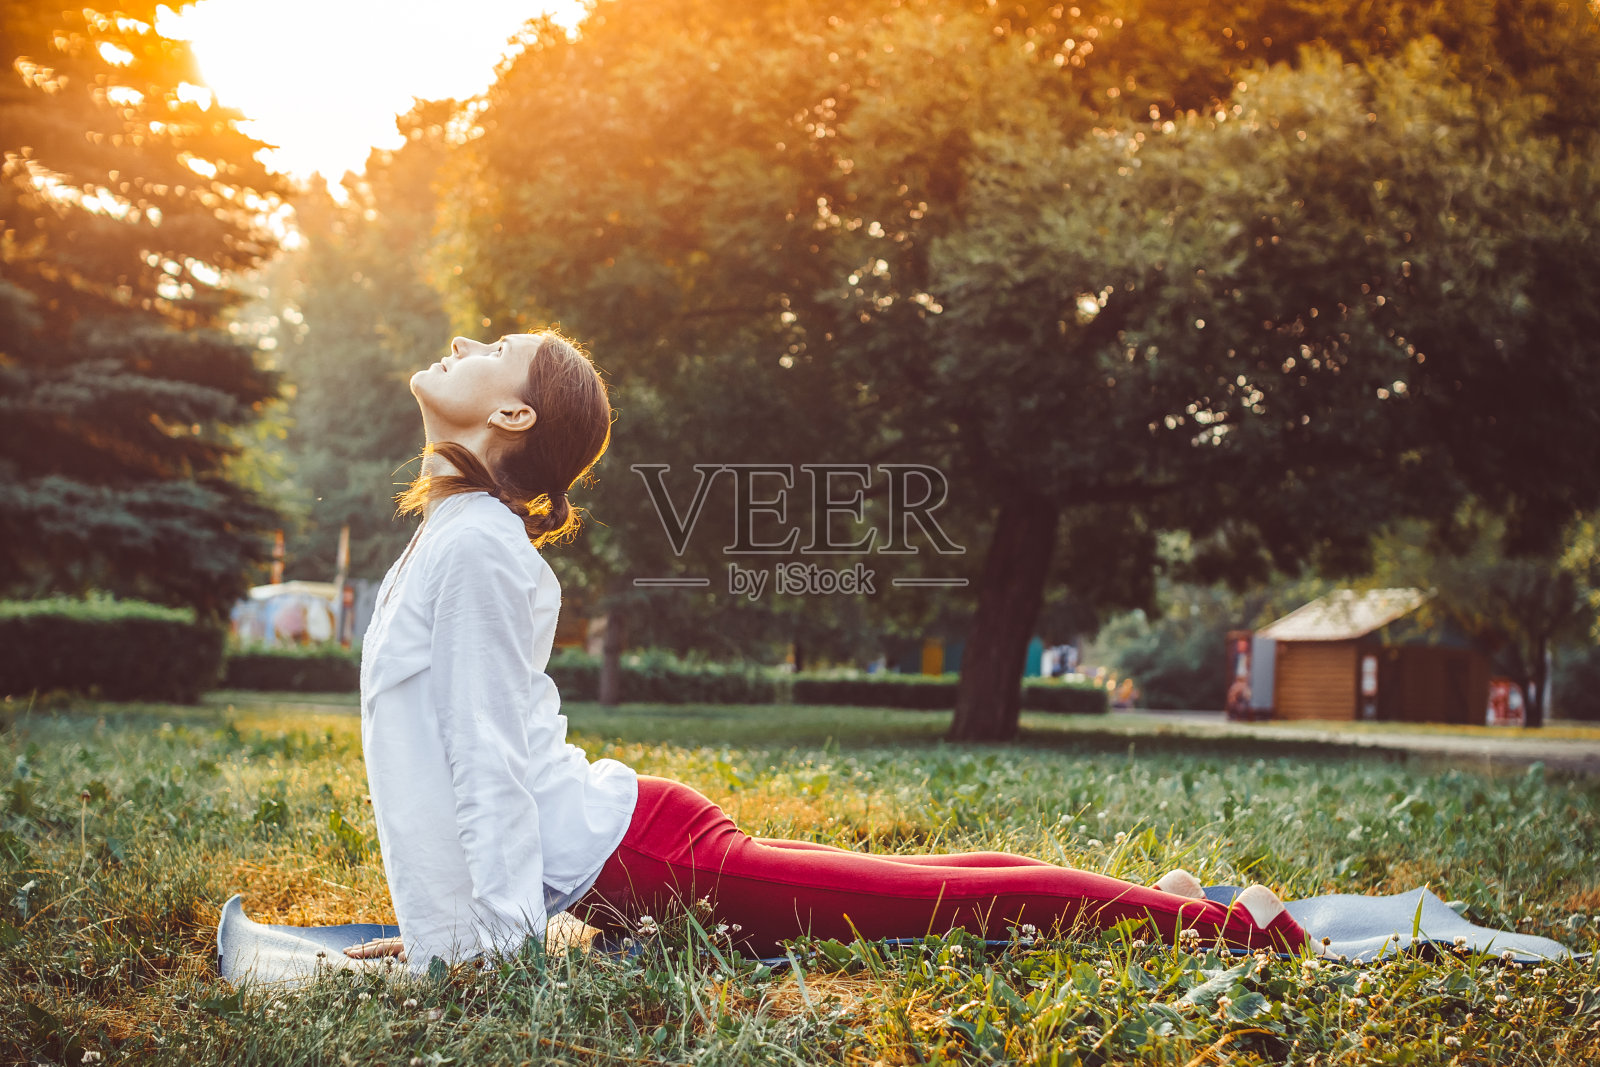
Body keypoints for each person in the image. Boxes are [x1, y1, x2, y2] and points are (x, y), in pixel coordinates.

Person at [344, 330, 1311, 970]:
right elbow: (444, 768)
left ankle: (1232, 930)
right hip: (637, 844)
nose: (467, 342)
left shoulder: (475, 543)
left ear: (513, 417)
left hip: (653, 864)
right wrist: (443, 941)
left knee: (939, 904)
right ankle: (1155, 899)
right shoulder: (459, 533)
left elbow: (488, 767)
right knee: (936, 886)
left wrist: (491, 962)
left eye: (496, 348)